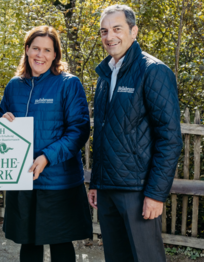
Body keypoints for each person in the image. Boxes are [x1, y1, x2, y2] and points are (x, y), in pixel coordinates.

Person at [87, 5, 183, 262]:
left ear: (134, 31)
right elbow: (105, 132)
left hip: (138, 191)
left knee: (146, 258)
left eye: (117, 29)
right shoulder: (105, 74)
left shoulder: (154, 71)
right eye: (104, 31)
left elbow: (170, 139)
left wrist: (155, 194)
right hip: (108, 189)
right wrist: (96, 182)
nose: (110, 36)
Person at [0, 25, 92, 262]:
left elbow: (79, 130)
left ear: (55, 55)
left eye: (47, 50)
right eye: (36, 48)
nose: (40, 55)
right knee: (28, 243)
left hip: (58, 181)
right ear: (27, 50)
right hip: (22, 178)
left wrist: (47, 156)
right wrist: (0, 120)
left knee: (61, 245)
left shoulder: (68, 84)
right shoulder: (13, 86)